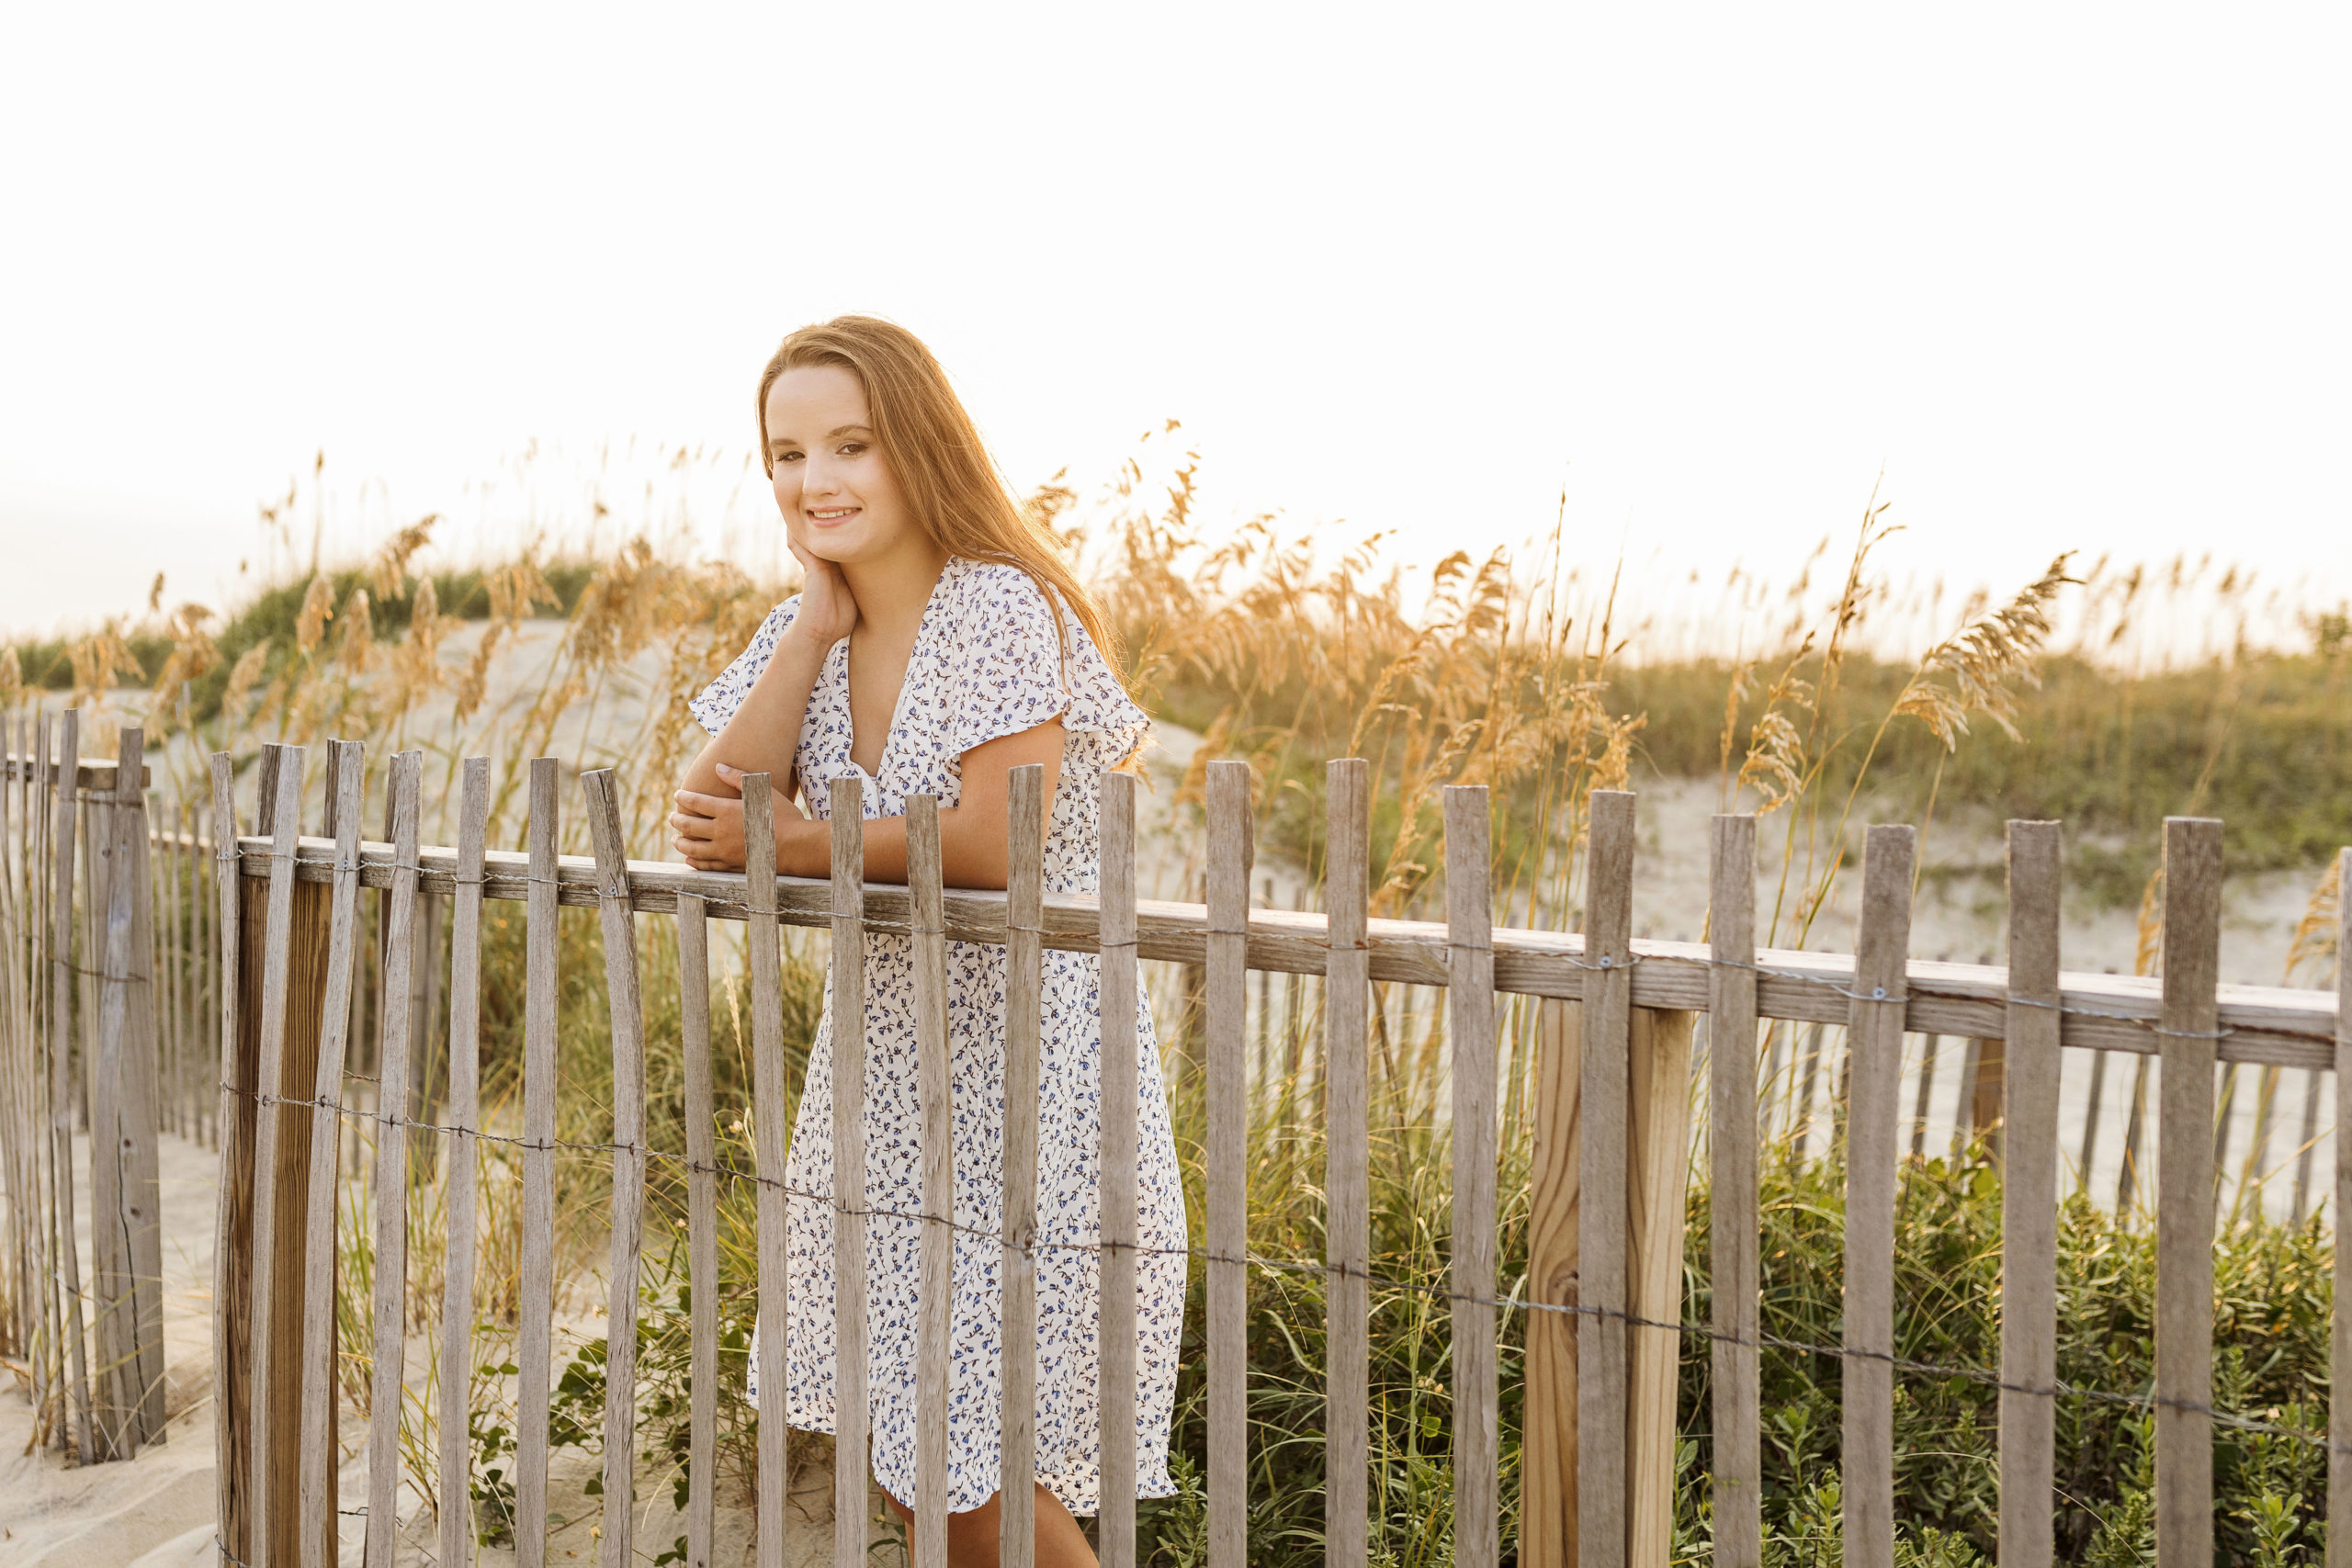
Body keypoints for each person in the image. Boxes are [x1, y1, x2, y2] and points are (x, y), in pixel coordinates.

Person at [670, 316, 1187, 1568]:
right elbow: (705, 809)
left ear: (919, 447)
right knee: (916, 1459)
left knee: (985, 1474)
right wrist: (810, 632)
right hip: (889, 1095)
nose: (815, 480)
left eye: (851, 444)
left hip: (1032, 1089)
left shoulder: (1003, 604)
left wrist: (798, 842)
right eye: (787, 454)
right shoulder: (816, 631)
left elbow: (998, 839)